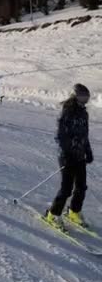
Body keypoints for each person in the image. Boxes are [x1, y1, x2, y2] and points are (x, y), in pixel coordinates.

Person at [45, 84, 93, 230]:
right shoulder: (67, 112)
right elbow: (60, 136)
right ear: (75, 96)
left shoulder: (84, 113)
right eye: (82, 97)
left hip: (79, 155)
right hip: (67, 155)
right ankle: (53, 214)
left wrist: (88, 150)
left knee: (81, 186)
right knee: (66, 188)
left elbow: (84, 135)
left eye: (87, 97)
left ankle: (74, 211)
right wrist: (66, 153)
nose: (85, 100)